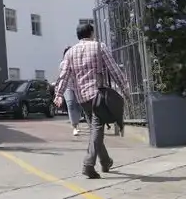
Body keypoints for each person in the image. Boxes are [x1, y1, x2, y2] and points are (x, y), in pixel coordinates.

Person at [54, 22, 130, 179]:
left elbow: (63, 75)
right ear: (91, 33)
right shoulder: (98, 46)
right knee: (96, 129)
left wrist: (58, 94)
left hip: (82, 97)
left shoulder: (70, 53)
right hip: (97, 94)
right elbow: (113, 68)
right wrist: (124, 88)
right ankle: (88, 164)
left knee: (95, 130)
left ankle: (106, 161)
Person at [54, 45, 84, 136]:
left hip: (78, 86)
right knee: (70, 104)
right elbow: (62, 77)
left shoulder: (78, 62)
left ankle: (77, 122)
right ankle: (74, 126)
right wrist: (58, 92)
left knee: (79, 105)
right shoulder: (63, 64)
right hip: (67, 87)